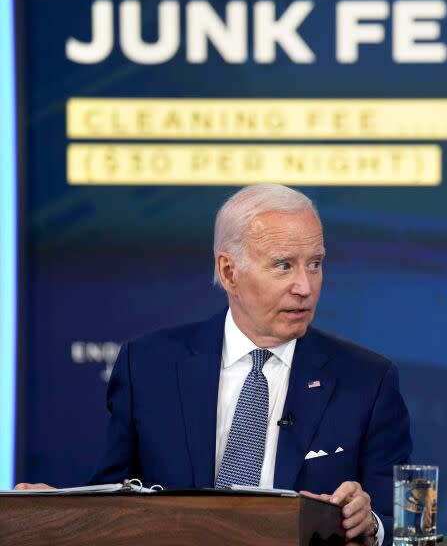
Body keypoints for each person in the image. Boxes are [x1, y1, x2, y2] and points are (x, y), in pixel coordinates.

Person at [18, 184, 412, 546]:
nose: (305, 286)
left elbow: (401, 524)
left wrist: (370, 522)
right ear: (229, 272)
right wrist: (56, 511)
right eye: (283, 265)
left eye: (315, 263)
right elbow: (113, 499)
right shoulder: (150, 366)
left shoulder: (367, 380)